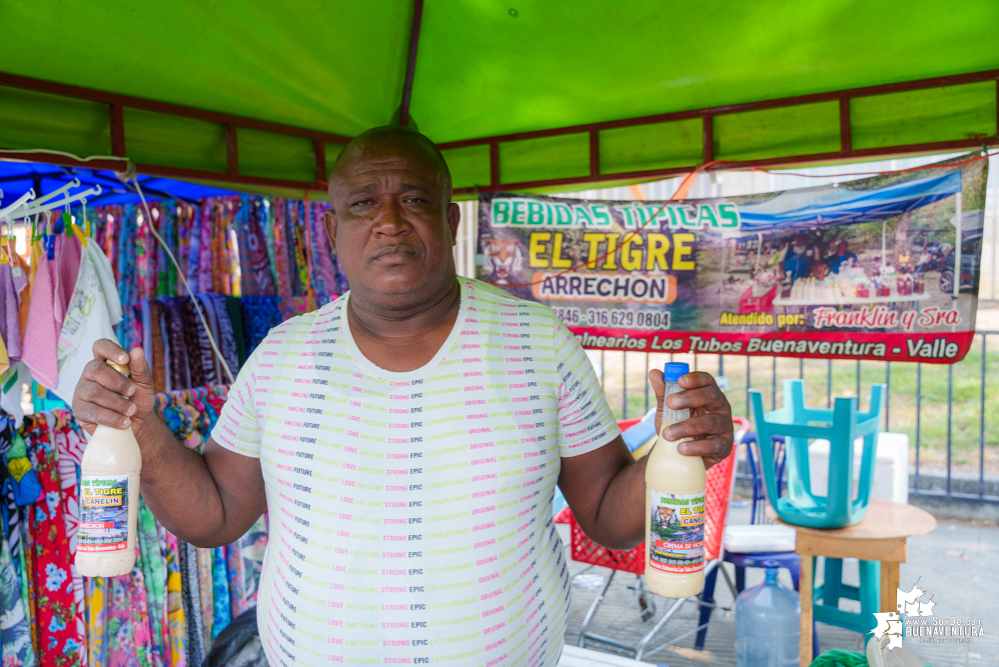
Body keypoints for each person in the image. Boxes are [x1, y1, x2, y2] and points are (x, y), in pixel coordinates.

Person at [72, 126, 733, 666]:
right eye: (362, 203)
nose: (387, 221)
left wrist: (677, 453)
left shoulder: (537, 341)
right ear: (332, 230)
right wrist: (142, 430)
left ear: (448, 220)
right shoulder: (281, 354)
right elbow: (213, 515)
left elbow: (608, 518)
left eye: (412, 199)